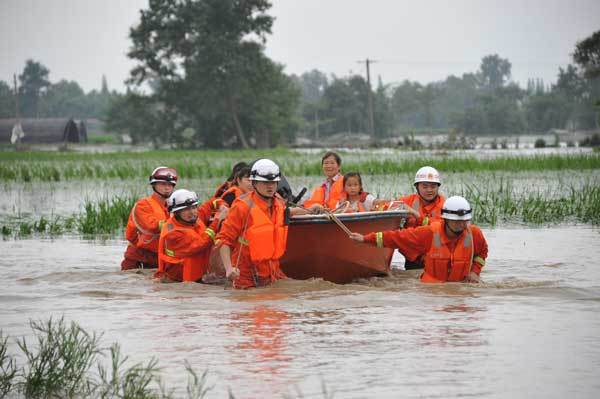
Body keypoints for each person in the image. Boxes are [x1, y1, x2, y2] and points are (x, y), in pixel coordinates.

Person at [349, 196, 488, 283]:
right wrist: (365, 238)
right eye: (457, 221)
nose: (461, 225)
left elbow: (482, 252)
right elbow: (397, 238)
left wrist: (475, 272)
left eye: (464, 221)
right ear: (445, 219)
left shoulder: (474, 234)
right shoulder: (429, 233)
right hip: (431, 291)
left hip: (461, 288)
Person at [216, 159, 296, 289]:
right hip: (247, 276)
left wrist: (312, 209)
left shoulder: (279, 203)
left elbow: (288, 211)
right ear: (254, 183)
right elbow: (223, 240)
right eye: (265, 183)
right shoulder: (242, 207)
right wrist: (229, 268)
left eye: (273, 182)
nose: (270, 186)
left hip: (272, 272)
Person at [154, 189, 227, 282]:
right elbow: (201, 244)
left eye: (193, 207)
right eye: (187, 209)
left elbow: (211, 203)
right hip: (181, 280)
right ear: (176, 213)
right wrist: (217, 220)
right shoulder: (173, 234)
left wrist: (221, 205)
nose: (192, 212)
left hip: (199, 274)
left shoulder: (191, 218)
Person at [121, 166, 177, 270]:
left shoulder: (173, 207)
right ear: (154, 185)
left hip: (159, 258)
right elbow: (152, 225)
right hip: (139, 260)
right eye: (163, 184)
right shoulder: (143, 205)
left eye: (170, 185)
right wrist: (179, 225)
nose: (167, 188)